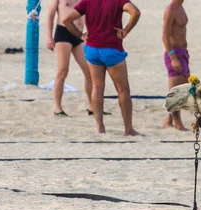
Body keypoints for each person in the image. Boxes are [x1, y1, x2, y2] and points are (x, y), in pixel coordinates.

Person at [63, 0, 141, 136]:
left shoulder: (87, 1)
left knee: (97, 88)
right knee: (123, 90)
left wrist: (80, 35)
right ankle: (128, 129)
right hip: (112, 49)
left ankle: (100, 127)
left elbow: (66, 20)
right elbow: (135, 12)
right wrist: (126, 30)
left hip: (93, 49)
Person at [45, 0, 96, 117]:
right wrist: (49, 37)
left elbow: (90, 12)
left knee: (89, 71)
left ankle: (92, 106)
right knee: (63, 71)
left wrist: (91, 30)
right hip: (63, 33)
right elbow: (50, 15)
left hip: (79, 34)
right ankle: (57, 107)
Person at [162, 0, 188, 131]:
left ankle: (168, 120)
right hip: (174, 53)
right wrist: (173, 57)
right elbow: (165, 36)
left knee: (184, 88)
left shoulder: (180, 7)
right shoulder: (170, 9)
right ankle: (178, 123)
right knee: (175, 92)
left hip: (183, 53)